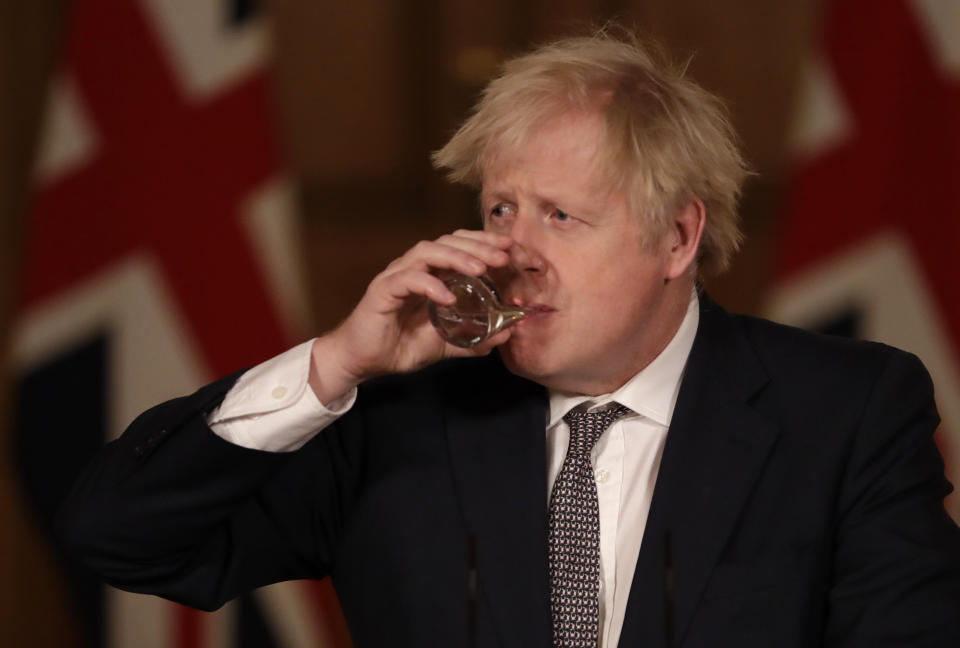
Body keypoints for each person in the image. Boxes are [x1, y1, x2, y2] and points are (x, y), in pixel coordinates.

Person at [59, 30, 960, 647]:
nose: (511, 254)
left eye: (562, 216)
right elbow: (118, 536)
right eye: (499, 209)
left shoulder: (846, 411)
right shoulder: (389, 420)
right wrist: (333, 365)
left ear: (678, 239)